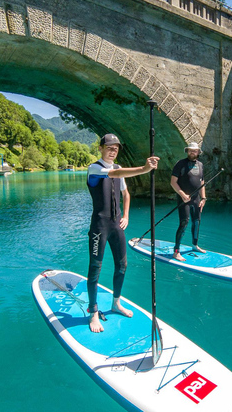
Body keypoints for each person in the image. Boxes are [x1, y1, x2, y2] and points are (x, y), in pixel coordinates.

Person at [86, 133, 159, 333]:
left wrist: (126, 215)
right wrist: (145, 169)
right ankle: (93, 312)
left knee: (122, 265)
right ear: (101, 148)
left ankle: (115, 303)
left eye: (116, 147)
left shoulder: (119, 168)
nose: (113, 150)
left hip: (116, 225)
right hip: (99, 227)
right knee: (95, 268)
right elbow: (113, 175)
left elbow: (125, 194)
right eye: (109, 147)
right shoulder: (95, 168)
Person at [170, 142, 206, 262]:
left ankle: (195, 245)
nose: (192, 152)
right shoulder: (180, 164)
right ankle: (176, 251)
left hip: (196, 200)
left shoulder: (200, 165)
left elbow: (202, 182)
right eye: (190, 150)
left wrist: (203, 198)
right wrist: (182, 194)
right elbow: (173, 182)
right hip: (183, 198)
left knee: (196, 222)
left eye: (194, 150)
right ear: (187, 151)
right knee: (184, 223)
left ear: (198, 152)